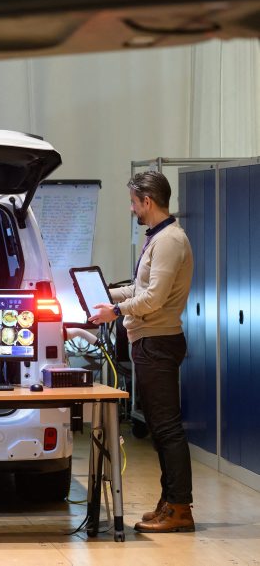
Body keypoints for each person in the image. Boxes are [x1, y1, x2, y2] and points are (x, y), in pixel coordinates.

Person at [89, 171, 195, 533]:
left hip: (158, 343)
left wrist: (115, 311)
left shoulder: (169, 241)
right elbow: (139, 287)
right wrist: (103, 294)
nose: (131, 208)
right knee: (159, 427)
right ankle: (169, 501)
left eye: (133, 202)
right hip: (149, 342)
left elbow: (153, 299)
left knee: (167, 428)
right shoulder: (158, 238)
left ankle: (180, 508)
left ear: (147, 201)